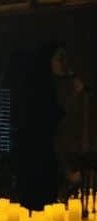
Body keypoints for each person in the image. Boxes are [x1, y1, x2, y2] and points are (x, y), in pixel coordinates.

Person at [13, 41, 86, 208]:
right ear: (48, 61)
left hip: (38, 166)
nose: (64, 64)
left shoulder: (48, 89)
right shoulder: (39, 93)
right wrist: (67, 172)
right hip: (37, 167)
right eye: (60, 58)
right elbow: (50, 134)